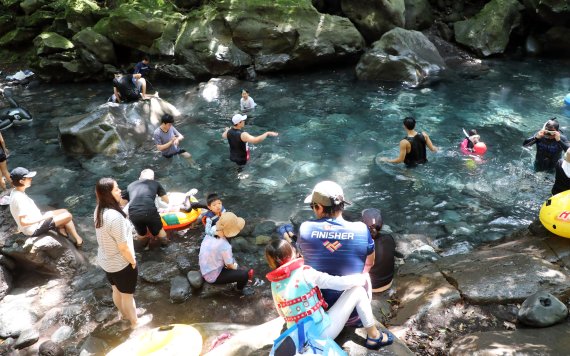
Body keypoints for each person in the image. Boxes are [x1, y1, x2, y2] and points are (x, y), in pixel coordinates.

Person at [265, 240, 393, 350]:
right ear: (291, 253)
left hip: (296, 337)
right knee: (358, 290)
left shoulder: (274, 283)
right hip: (321, 334)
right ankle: (374, 337)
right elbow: (337, 283)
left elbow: (282, 314)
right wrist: (360, 278)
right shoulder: (305, 273)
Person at [298, 180, 375, 325]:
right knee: (364, 274)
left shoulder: (305, 228)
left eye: (312, 206)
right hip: (352, 313)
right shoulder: (361, 229)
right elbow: (370, 263)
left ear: (319, 207)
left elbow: (304, 260)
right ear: (342, 205)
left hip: (317, 310)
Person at [95, 177, 138, 329]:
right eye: (117, 189)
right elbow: (123, 247)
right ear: (108, 194)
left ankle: (124, 315)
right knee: (127, 295)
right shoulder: (115, 217)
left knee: (116, 290)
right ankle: (134, 323)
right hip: (120, 263)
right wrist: (132, 261)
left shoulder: (99, 210)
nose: (120, 191)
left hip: (106, 261)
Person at [9, 167, 83, 247]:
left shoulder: (15, 191)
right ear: (21, 181)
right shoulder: (20, 198)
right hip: (34, 228)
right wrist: (45, 217)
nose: (31, 179)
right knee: (68, 216)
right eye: (29, 178)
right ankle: (78, 239)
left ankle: (62, 228)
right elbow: (24, 222)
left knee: (64, 211)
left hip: (36, 217)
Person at [199, 212, 254, 296]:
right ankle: (238, 290)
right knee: (244, 274)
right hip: (212, 276)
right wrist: (237, 267)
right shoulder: (225, 246)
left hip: (205, 267)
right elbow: (230, 266)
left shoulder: (213, 229)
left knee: (232, 260)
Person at [121, 169, 169, 247]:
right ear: (152, 178)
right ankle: (164, 247)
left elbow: (122, 203)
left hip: (134, 213)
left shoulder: (130, 185)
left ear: (140, 177)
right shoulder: (155, 184)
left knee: (141, 233)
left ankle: (143, 248)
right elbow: (166, 200)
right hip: (149, 211)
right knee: (160, 231)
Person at [361, 208, 395, 293]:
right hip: (388, 282)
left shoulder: (360, 242)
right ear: (382, 224)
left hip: (369, 287)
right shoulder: (389, 238)